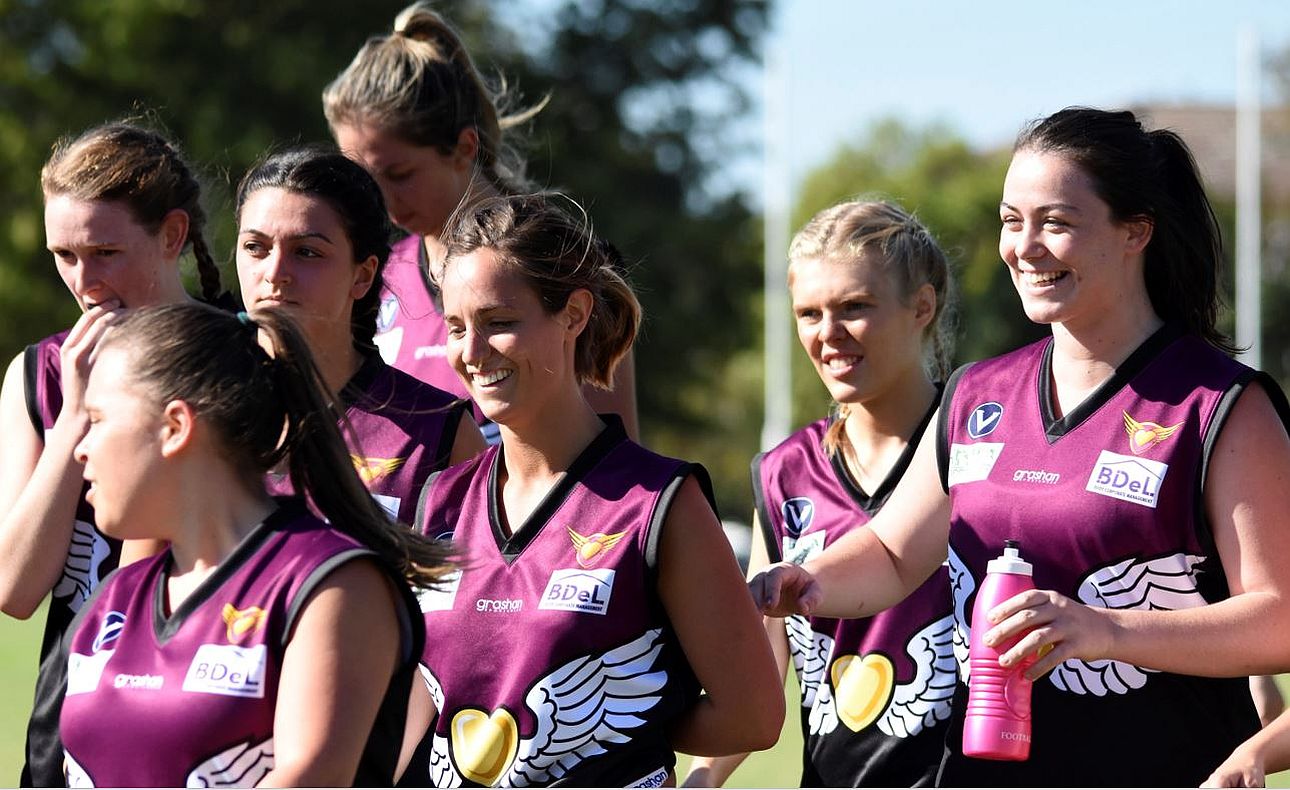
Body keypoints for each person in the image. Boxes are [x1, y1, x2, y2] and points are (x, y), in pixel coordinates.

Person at [751, 107, 1290, 786]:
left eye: (1055, 223)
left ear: (1135, 231)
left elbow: (1280, 618)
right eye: (1012, 221)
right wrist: (811, 581)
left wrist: (1105, 629)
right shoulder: (977, 394)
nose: (1024, 247)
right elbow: (892, 554)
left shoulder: (1220, 405)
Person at [401, 193, 783, 786]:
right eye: (455, 327)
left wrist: (612, 736)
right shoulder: (440, 501)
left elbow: (753, 717)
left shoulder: (658, 503)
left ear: (574, 314)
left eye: (499, 323)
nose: (471, 352)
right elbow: (417, 703)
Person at [59, 302, 442, 786]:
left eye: (96, 419)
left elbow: (311, 775)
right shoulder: (116, 597)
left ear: (175, 427)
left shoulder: (331, 586)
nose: (80, 448)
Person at [685, 200, 957, 788]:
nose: (828, 333)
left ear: (922, 306)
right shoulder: (783, 473)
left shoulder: (981, 445)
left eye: (855, 307)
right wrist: (700, 780)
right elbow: (761, 665)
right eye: (809, 313)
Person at [0, 121, 224, 786]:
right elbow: (15, 589)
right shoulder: (40, 375)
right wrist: (76, 416)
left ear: (172, 235)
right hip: (71, 730)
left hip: (211, 726)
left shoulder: (245, 362)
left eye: (105, 252)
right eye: (64, 255)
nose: (84, 281)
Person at [322, 1, 638, 441]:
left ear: (464, 148)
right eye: (365, 180)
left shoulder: (560, 264)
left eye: (400, 174)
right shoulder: (377, 279)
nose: (381, 201)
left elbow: (615, 464)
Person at [233, 146, 485, 525]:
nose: (274, 272)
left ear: (362, 275)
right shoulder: (195, 409)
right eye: (256, 247)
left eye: (306, 252)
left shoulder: (438, 431)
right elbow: (147, 562)